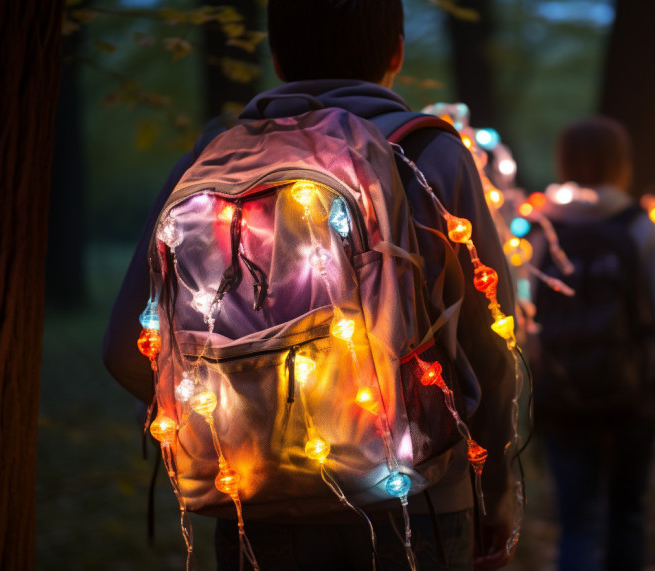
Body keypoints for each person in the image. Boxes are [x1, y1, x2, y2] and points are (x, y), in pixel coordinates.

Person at [102, 1, 520, 569]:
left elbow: (125, 352)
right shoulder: (428, 154)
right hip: (416, 500)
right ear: (396, 51)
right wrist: (494, 488)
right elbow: (490, 346)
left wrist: (233, 433)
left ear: (276, 57)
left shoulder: (206, 162)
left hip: (253, 505)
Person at [527, 116, 655, 571]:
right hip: (629, 392)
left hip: (561, 391)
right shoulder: (639, 225)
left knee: (576, 523)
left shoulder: (539, 226)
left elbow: (522, 314)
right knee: (626, 515)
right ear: (621, 162)